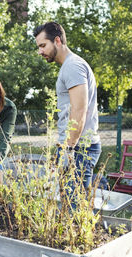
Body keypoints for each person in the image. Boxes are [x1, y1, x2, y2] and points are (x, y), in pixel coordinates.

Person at [33, 22, 101, 190]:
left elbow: (79, 110)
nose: (40, 51)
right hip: (73, 147)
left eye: (43, 45)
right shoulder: (70, 66)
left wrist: (68, 149)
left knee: (74, 209)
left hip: (78, 149)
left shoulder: (72, 66)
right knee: (69, 206)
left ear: (57, 40)